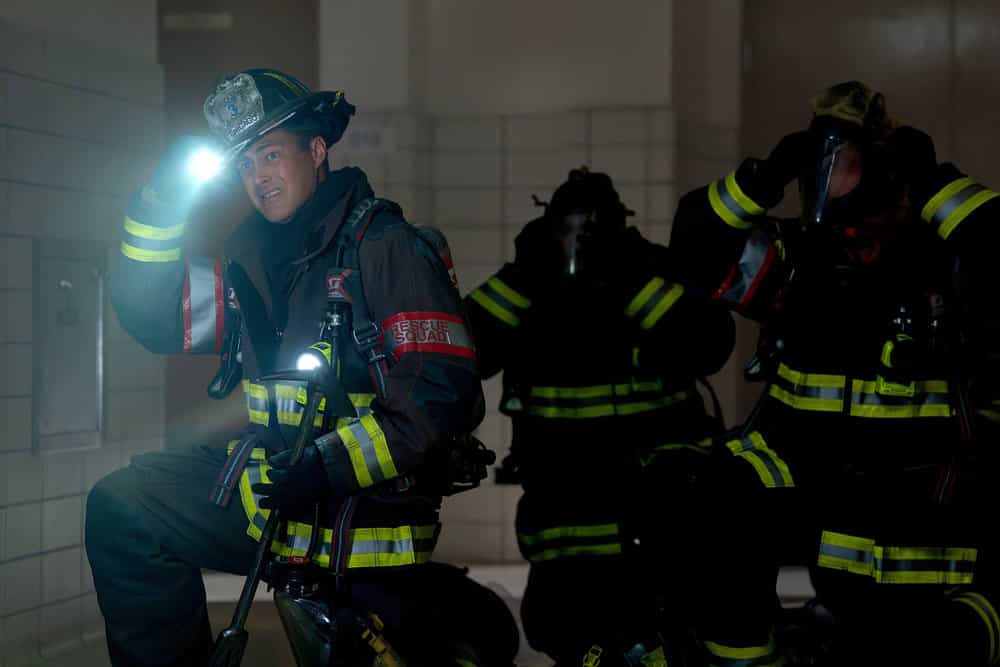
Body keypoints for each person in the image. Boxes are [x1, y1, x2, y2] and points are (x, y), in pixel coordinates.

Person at [85, 68, 518, 667]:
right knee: (125, 507)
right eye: (244, 165)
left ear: (316, 151)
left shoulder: (386, 247)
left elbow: (436, 398)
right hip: (275, 498)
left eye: (270, 154)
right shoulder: (254, 264)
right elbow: (153, 313)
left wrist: (325, 466)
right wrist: (158, 207)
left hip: (360, 519)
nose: (258, 178)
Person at [669, 80, 1000, 666]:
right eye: (823, 168)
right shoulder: (802, 262)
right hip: (833, 526)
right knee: (713, 487)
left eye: (851, 166)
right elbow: (694, 247)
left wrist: (933, 182)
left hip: (936, 542)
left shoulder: (947, 262)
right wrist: (764, 175)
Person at [464, 167, 735, 665]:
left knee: (661, 628)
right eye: (566, 231)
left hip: (652, 495)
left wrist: (627, 277)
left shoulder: (646, 272)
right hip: (560, 499)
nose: (576, 244)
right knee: (563, 629)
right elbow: (466, 353)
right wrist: (526, 274)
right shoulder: (527, 282)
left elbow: (707, 344)